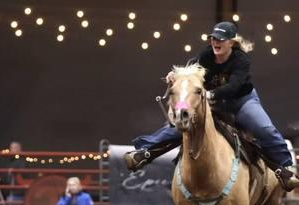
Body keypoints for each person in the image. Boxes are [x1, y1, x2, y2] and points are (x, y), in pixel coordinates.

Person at [125, 21, 299, 192]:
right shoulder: (207, 55)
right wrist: (176, 76)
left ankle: (286, 168)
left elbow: (234, 87)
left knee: (264, 128)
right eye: (213, 38)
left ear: (231, 41)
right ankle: (144, 152)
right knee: (180, 125)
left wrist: (210, 95)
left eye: (221, 39)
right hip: (214, 103)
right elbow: (190, 71)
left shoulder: (241, 60)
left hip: (241, 102)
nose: (215, 42)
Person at [0, 141, 30, 205]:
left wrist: (12, 173)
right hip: (13, 190)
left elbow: (21, 175)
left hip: (17, 191)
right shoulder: (12, 161)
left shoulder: (21, 162)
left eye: (14, 147)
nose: (12, 149)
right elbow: (7, 177)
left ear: (19, 149)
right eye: (11, 148)